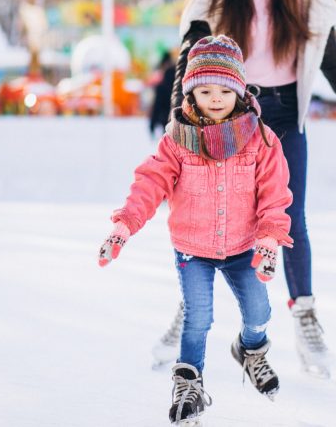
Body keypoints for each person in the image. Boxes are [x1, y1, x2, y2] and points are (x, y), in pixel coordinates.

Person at [151, 0, 336, 378]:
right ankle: (188, 310)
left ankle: (305, 317)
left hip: (283, 110)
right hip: (227, 112)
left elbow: (323, 38)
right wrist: (180, 116)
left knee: (289, 218)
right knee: (212, 215)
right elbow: (191, 51)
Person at [98, 35, 294, 424]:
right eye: (205, 90)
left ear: (238, 90)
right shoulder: (176, 141)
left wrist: (269, 237)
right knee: (198, 317)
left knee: (259, 311)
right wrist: (125, 224)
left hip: (244, 247)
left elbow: (274, 194)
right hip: (193, 249)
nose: (216, 98)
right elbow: (150, 184)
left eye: (224, 89)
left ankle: (251, 349)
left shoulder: (261, 140)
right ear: (190, 92)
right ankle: (189, 382)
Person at [148, 50, 176, 138]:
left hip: (166, 121)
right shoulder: (181, 88)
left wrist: (152, 125)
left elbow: (157, 106)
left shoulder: (161, 87)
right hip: (178, 122)